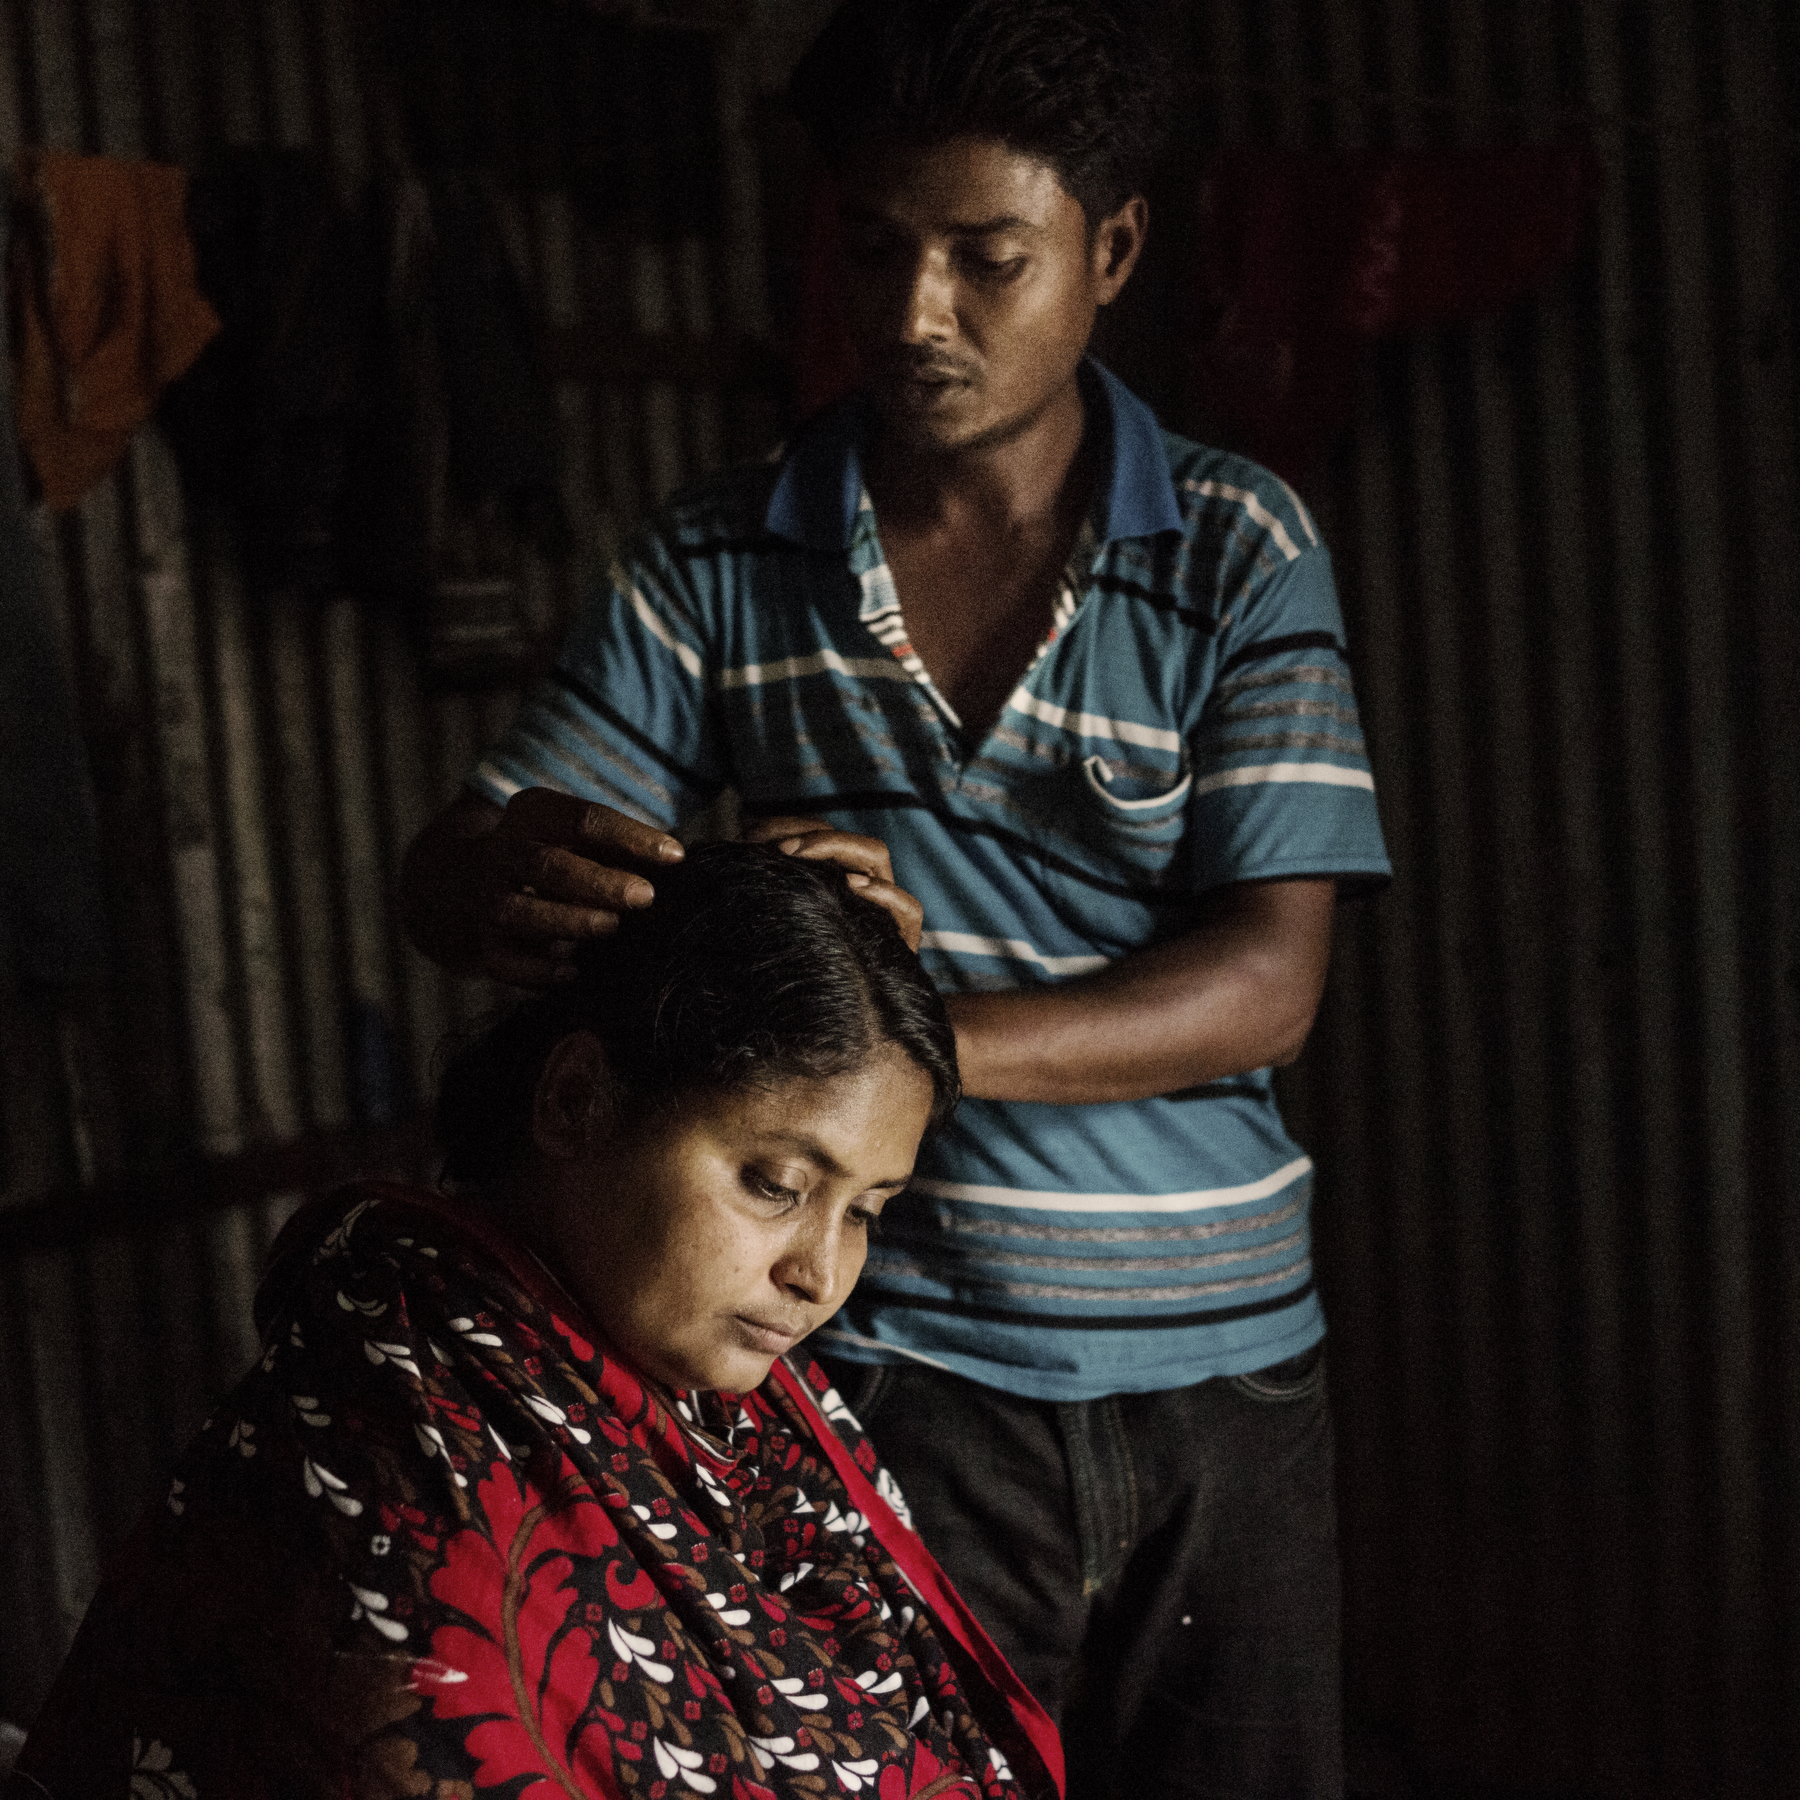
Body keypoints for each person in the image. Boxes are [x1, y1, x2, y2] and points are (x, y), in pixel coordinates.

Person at [397, 2, 1392, 1793]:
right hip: (895, 1377)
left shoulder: (1238, 545)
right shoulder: (718, 562)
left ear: (1112, 250)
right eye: (874, 249)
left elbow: (1267, 987)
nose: (917, 312)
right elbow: (459, 866)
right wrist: (510, 878)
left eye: (986, 258)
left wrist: (887, 1034)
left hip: (1224, 1385)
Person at [8, 844, 1062, 1800]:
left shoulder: (745, 1405)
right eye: (776, 1183)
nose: (820, 1273)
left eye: (868, 1212)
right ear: (576, 1103)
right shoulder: (395, 1463)